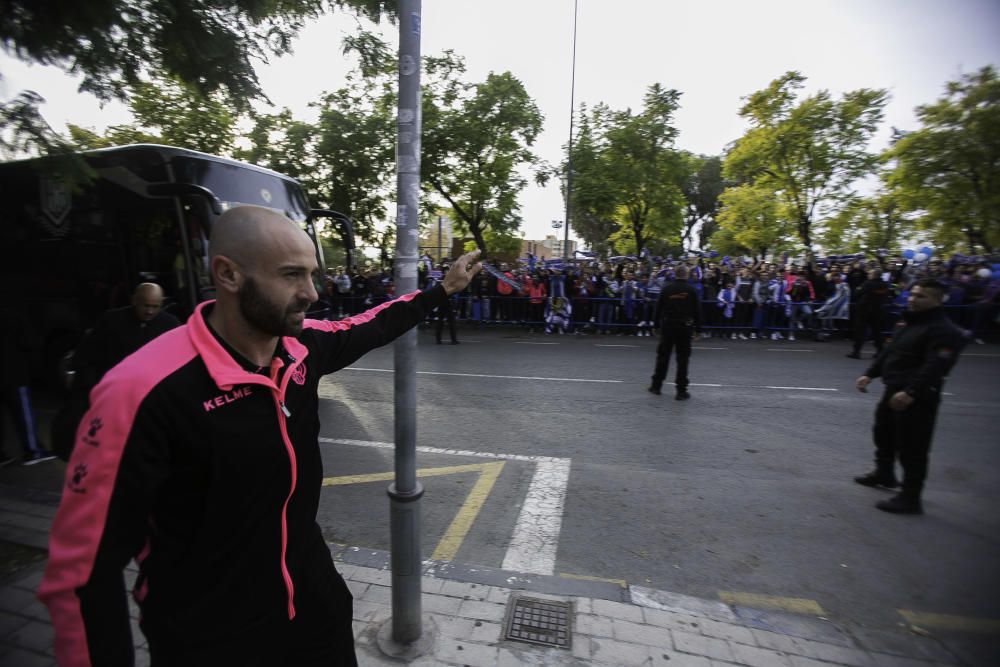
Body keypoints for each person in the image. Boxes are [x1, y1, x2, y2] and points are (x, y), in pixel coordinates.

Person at [38, 205, 483, 666]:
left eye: (312, 274)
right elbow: (82, 572)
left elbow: (372, 325)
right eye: (292, 275)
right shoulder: (141, 389)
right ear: (228, 274)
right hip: (211, 635)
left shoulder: (301, 347)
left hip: (312, 603)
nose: (311, 292)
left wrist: (442, 290)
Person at [854, 279, 966, 515]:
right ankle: (884, 473)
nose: (913, 299)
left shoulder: (944, 331)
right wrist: (870, 374)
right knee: (883, 432)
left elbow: (935, 366)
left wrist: (911, 392)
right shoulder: (909, 322)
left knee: (913, 446)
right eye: (913, 294)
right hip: (893, 389)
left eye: (921, 296)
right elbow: (891, 351)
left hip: (917, 396)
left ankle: (910, 496)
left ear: (937, 300)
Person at [72, 283, 182, 391]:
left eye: (155, 307)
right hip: (115, 387)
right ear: (134, 301)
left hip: (153, 390)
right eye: (146, 305)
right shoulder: (111, 320)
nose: (150, 311)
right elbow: (86, 353)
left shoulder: (170, 324)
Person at [0, 307, 56, 465]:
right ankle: (33, 451)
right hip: (13, 371)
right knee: (23, 413)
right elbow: (30, 343)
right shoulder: (12, 316)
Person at [649, 265, 701, 400]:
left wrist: (655, 325)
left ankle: (656, 386)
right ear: (687, 274)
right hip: (685, 326)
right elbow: (697, 311)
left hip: (668, 325)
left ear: (675, 274)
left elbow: (658, 307)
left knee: (663, 356)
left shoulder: (667, 289)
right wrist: (698, 329)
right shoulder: (692, 290)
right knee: (683, 359)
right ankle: (681, 390)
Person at [847, 268, 890, 358]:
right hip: (877, 310)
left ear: (874, 275)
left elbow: (857, 293)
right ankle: (880, 350)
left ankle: (856, 351)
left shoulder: (868, 283)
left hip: (864, 309)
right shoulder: (884, 285)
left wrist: (858, 289)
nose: (868, 275)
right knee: (876, 331)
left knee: (860, 331)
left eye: (870, 273)